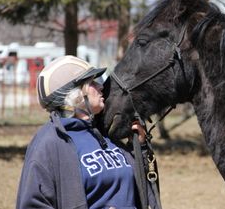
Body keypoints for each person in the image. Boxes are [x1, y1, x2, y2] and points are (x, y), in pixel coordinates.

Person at [16, 55, 158, 209]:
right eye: (92, 83)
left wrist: (140, 149)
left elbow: (139, 191)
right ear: (74, 95)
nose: (101, 86)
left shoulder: (104, 132)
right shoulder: (49, 142)